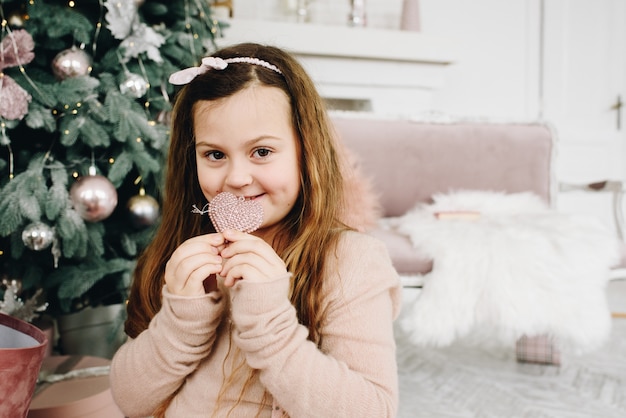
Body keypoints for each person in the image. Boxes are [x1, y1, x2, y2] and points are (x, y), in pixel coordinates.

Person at [109, 42, 402, 418]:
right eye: (214, 155)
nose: (237, 178)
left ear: (305, 151)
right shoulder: (182, 253)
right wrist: (180, 321)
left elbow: (372, 410)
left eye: (261, 152)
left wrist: (269, 321)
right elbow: (130, 399)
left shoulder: (352, 261)